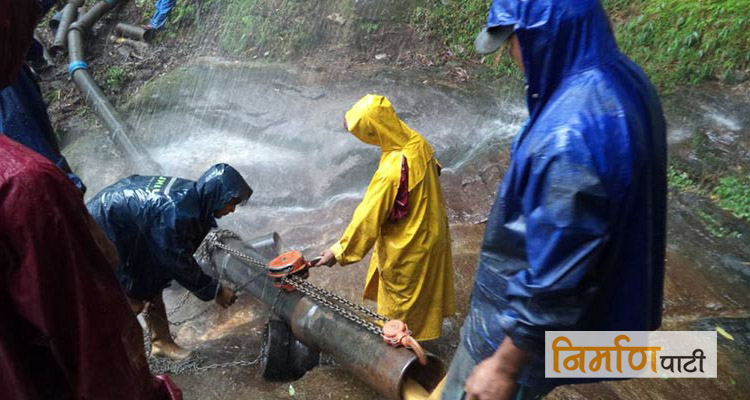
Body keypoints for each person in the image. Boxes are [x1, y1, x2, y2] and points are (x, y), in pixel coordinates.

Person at [442, 1, 667, 399]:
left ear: (543, 35)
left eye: (513, 40)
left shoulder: (571, 134)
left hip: (507, 334)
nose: (512, 54)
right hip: (587, 316)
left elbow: (559, 268)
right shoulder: (624, 79)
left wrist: (504, 364)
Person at [0, 1, 180, 398]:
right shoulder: (25, 186)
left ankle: (159, 334)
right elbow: (99, 357)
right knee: (124, 280)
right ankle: (159, 336)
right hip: (86, 220)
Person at [314, 94, 455, 342]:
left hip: (410, 246)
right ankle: (423, 339)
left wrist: (338, 252)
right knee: (426, 294)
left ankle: (403, 359)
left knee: (401, 308)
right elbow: (436, 170)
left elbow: (368, 217)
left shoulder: (392, 170)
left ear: (373, 132)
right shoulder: (417, 142)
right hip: (433, 234)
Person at [87, 164, 253, 360]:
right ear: (216, 195)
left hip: (126, 221)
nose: (232, 210)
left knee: (150, 281)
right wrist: (215, 290)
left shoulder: (196, 197)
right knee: (131, 298)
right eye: (230, 203)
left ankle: (161, 343)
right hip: (107, 224)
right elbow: (177, 261)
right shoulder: (177, 213)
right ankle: (106, 355)